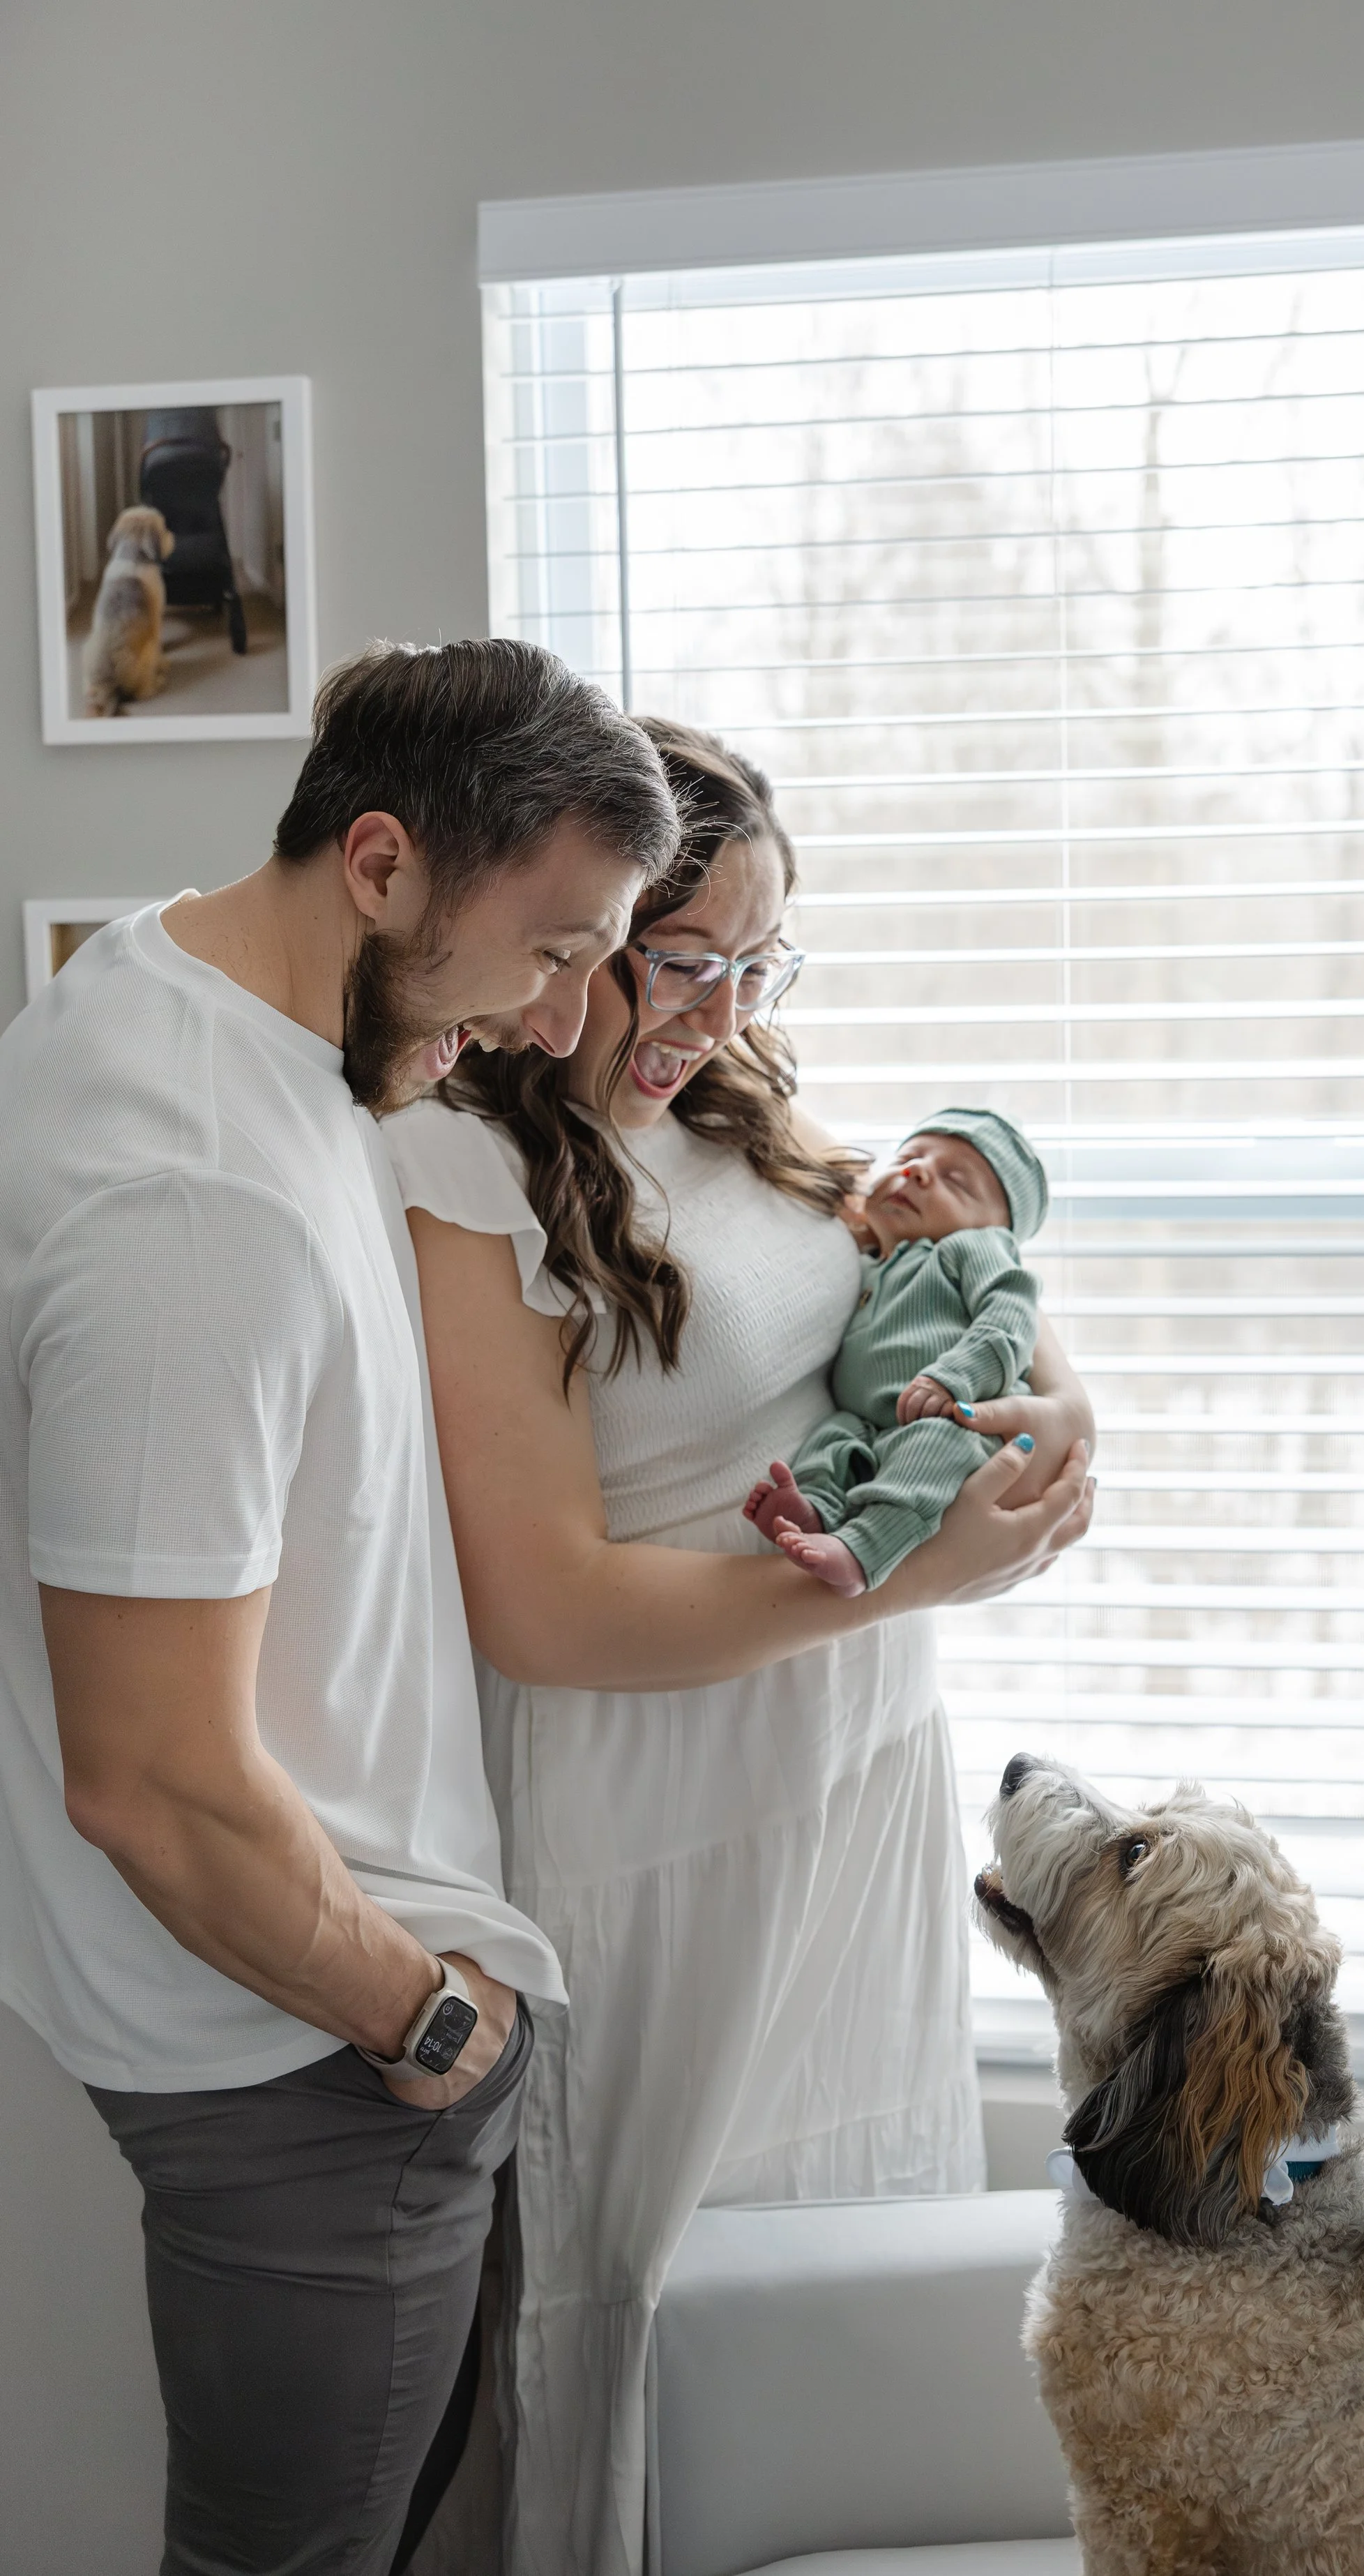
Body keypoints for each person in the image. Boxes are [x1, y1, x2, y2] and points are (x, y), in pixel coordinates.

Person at [383, 718, 1096, 2576]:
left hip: (846, 1779)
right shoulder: (470, 1171)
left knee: (840, 2275)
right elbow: (538, 1597)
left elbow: (930, 1275)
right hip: (652, 1804)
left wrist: (1048, 1401)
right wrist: (903, 1578)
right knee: (654, 2294)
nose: (721, 1004)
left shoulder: (730, 1101)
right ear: (576, 921)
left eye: (760, 960)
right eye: (681, 957)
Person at [0, 639, 681, 2576]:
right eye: (550, 950)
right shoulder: (190, 1196)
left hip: (309, 2024)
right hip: (308, 2056)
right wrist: (430, 2021)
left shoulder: (169, 988)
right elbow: (149, 1774)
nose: (565, 1020)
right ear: (377, 862)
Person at [749, 1107, 1050, 1595]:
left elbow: (1011, 1314)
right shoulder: (872, 1262)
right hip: (866, 1420)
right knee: (830, 1443)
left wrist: (956, 1376)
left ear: (1000, 1227)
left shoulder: (971, 1249)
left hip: (950, 1417)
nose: (917, 1171)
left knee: (933, 1452)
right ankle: (815, 1511)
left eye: (956, 1180)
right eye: (909, 1156)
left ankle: (865, 1549)